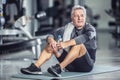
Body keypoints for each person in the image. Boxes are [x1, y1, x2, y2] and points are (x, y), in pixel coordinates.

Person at [20, 5, 97, 77]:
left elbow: (83, 38)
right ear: (72, 18)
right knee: (51, 45)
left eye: (82, 16)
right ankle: (36, 67)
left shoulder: (90, 29)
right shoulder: (68, 27)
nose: (80, 18)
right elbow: (51, 35)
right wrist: (52, 41)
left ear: (85, 17)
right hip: (70, 65)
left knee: (79, 45)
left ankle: (59, 68)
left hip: (86, 66)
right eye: (76, 16)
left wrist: (66, 44)